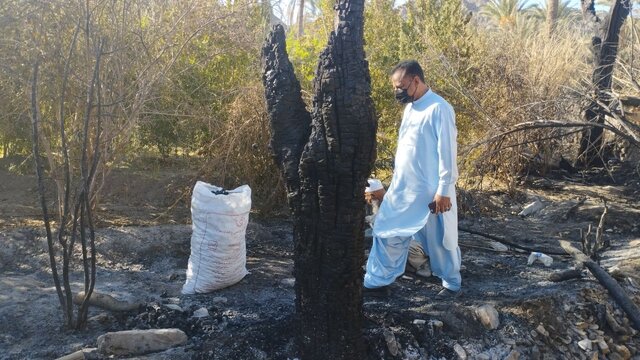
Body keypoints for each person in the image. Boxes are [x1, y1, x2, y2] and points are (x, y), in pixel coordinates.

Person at [363, 60, 461, 299]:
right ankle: (377, 281)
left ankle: (451, 284)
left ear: (416, 80)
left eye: (401, 86)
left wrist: (444, 189)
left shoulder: (439, 108)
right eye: (395, 87)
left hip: (432, 190)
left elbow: (447, 151)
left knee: (439, 240)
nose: (398, 92)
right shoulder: (410, 108)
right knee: (386, 229)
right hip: (404, 188)